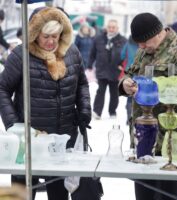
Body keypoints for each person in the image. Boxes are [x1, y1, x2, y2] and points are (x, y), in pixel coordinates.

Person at [0, 7, 101, 200]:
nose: (51, 41)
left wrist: (85, 108)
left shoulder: (71, 51)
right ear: (35, 34)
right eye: (46, 36)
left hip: (62, 141)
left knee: (58, 193)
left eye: (55, 36)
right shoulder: (22, 54)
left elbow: (81, 83)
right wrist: (15, 126)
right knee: (22, 194)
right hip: (28, 143)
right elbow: (2, 88)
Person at [119, 12, 177, 200]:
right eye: (138, 43)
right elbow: (129, 74)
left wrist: (154, 86)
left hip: (170, 137)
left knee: (168, 194)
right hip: (142, 135)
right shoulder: (143, 51)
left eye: (144, 42)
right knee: (144, 193)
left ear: (157, 33)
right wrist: (125, 84)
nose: (141, 47)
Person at [88, 19, 126, 119]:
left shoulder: (122, 40)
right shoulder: (98, 38)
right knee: (100, 91)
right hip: (102, 69)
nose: (111, 29)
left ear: (117, 28)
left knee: (114, 93)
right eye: (109, 27)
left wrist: (123, 66)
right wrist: (89, 64)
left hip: (115, 71)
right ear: (106, 27)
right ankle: (97, 112)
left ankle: (112, 111)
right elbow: (92, 53)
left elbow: (126, 55)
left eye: (113, 27)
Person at [120, 35, 138, 125]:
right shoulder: (143, 45)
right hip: (140, 72)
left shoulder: (128, 43)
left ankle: (128, 118)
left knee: (129, 96)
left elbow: (122, 55)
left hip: (129, 72)